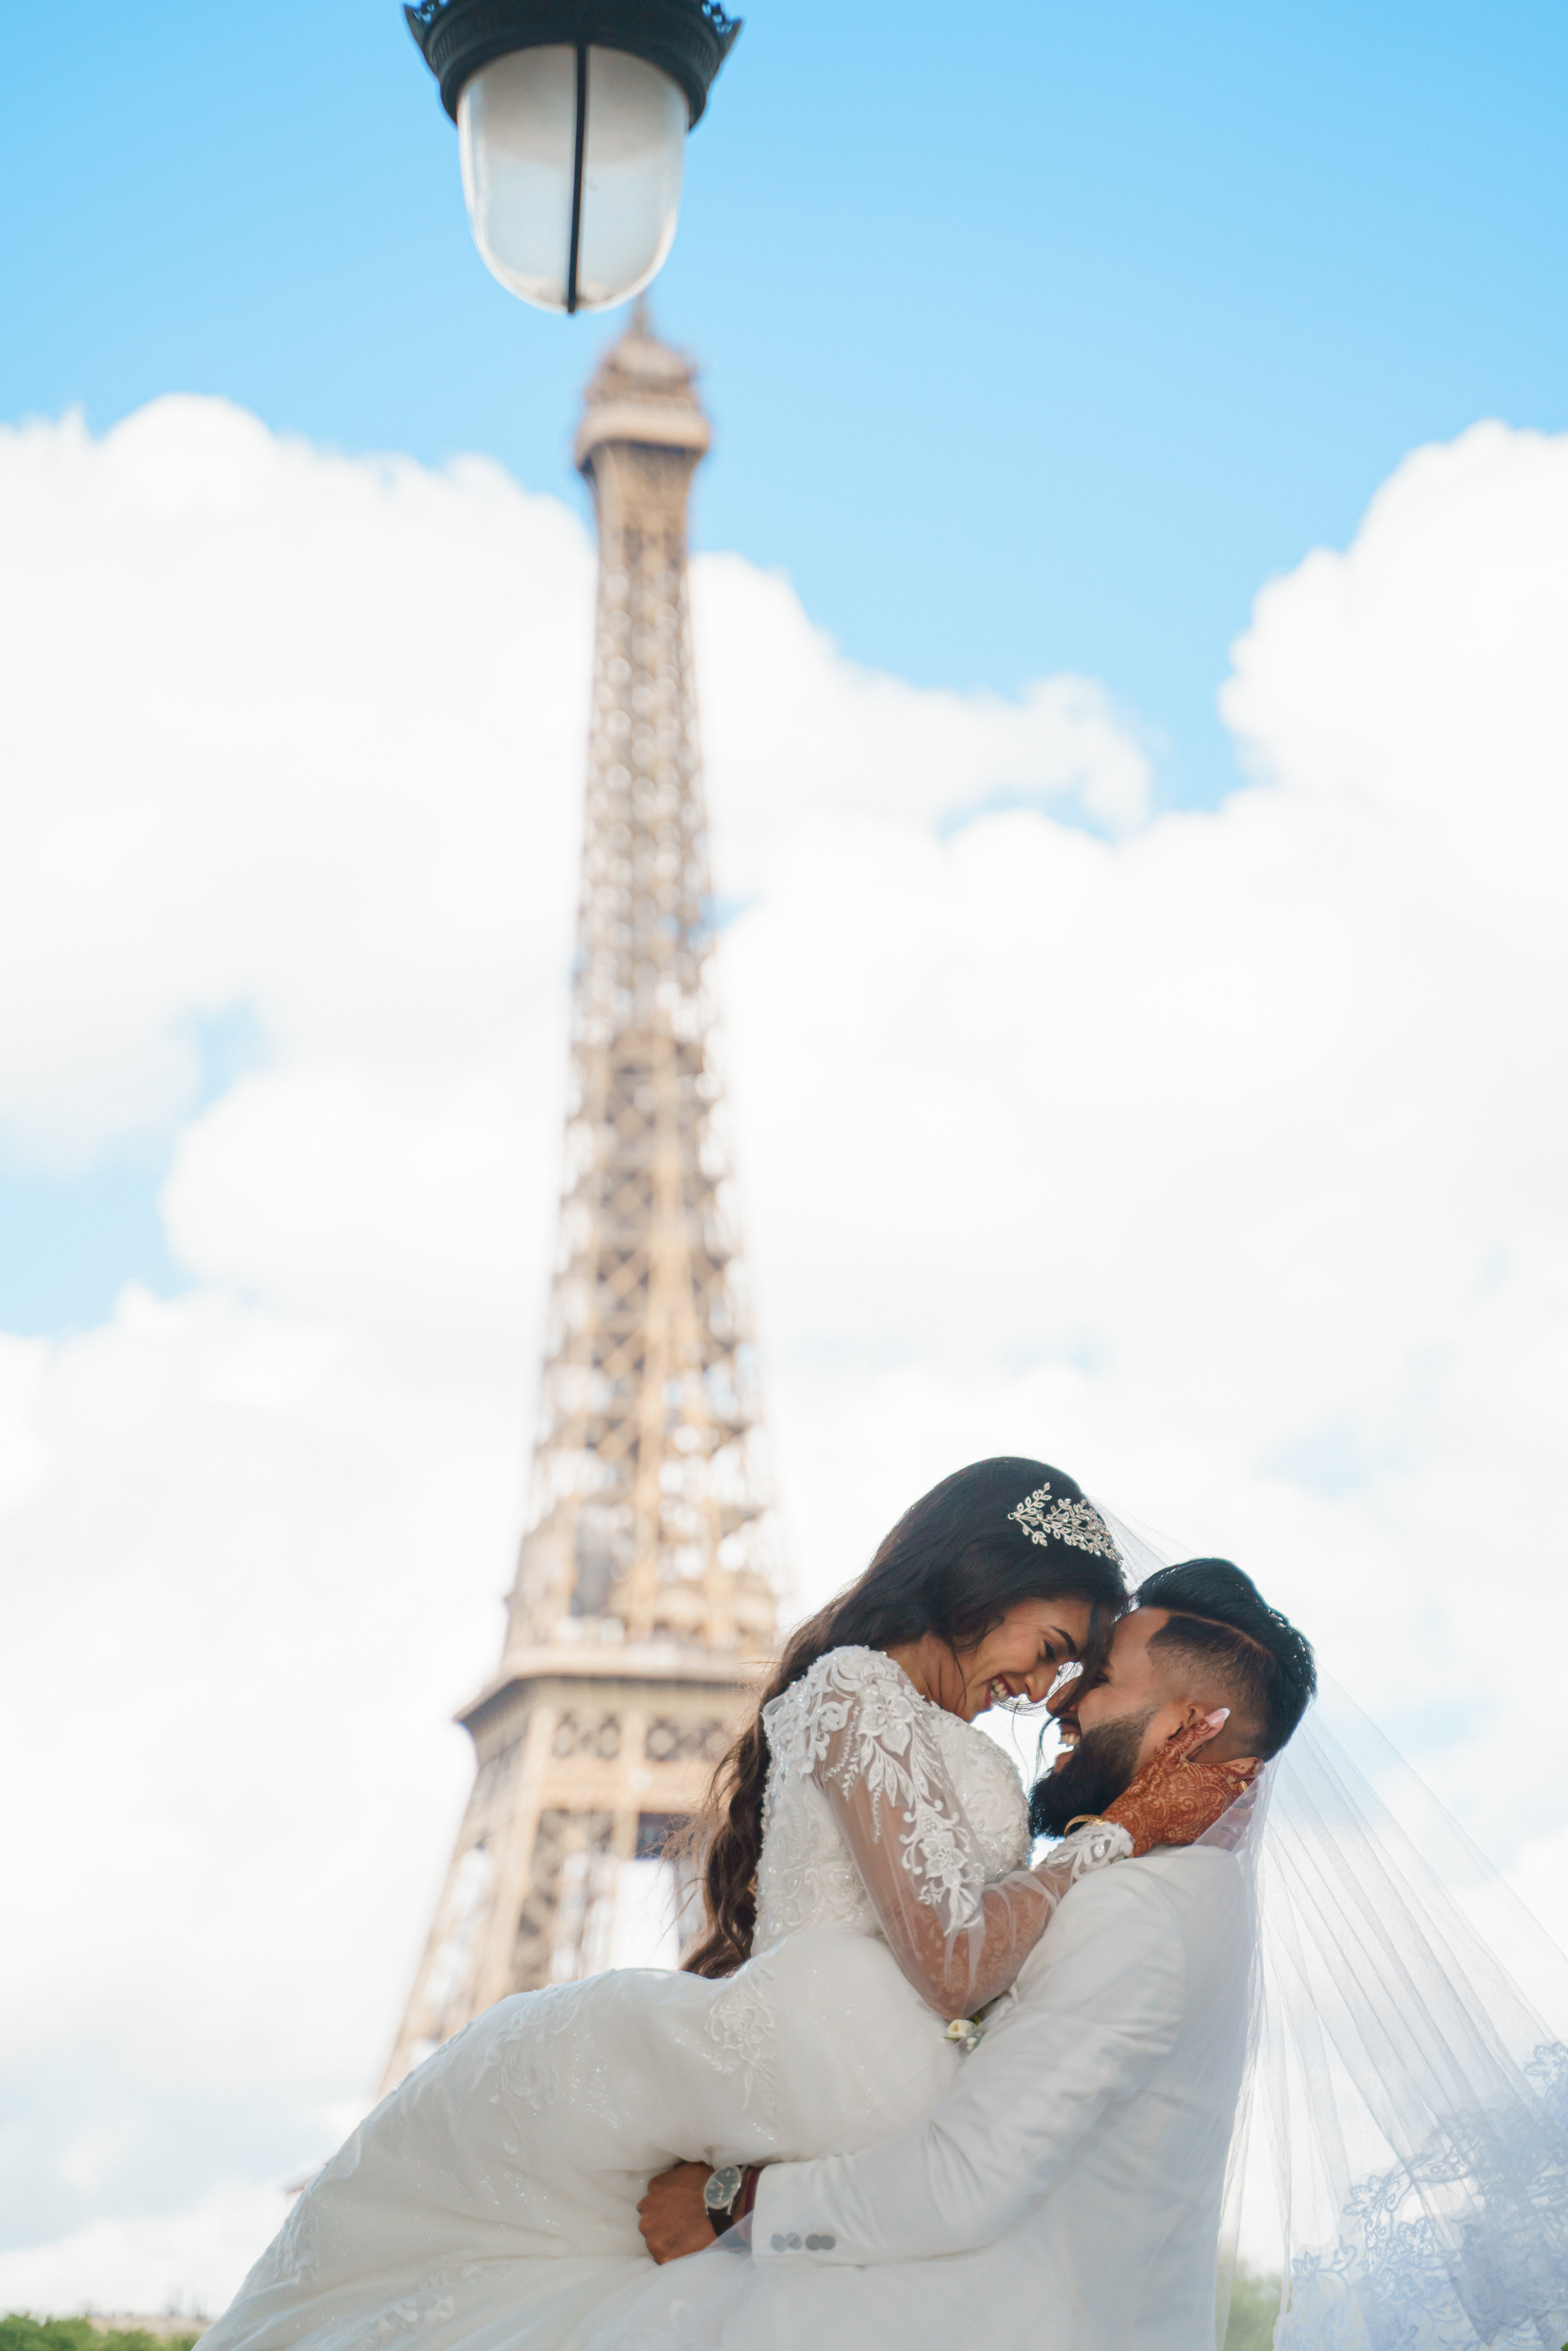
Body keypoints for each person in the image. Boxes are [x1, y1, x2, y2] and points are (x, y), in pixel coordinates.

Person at [201, 1459, 1247, 2351]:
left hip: (864, 2070)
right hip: (821, 2051)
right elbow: (957, 1963)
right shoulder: (854, 1687)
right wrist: (1110, 1838)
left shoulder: (941, 1733)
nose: (1044, 1687)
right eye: (1054, 1645)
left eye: (1073, 1668)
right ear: (991, 1577)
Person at [628, 1557, 1311, 2351]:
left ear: (1184, 1725)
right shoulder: (1187, 1895)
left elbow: (965, 2182)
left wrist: (734, 2206)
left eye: (1100, 1677)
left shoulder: (1138, 1912)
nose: (1061, 1698)